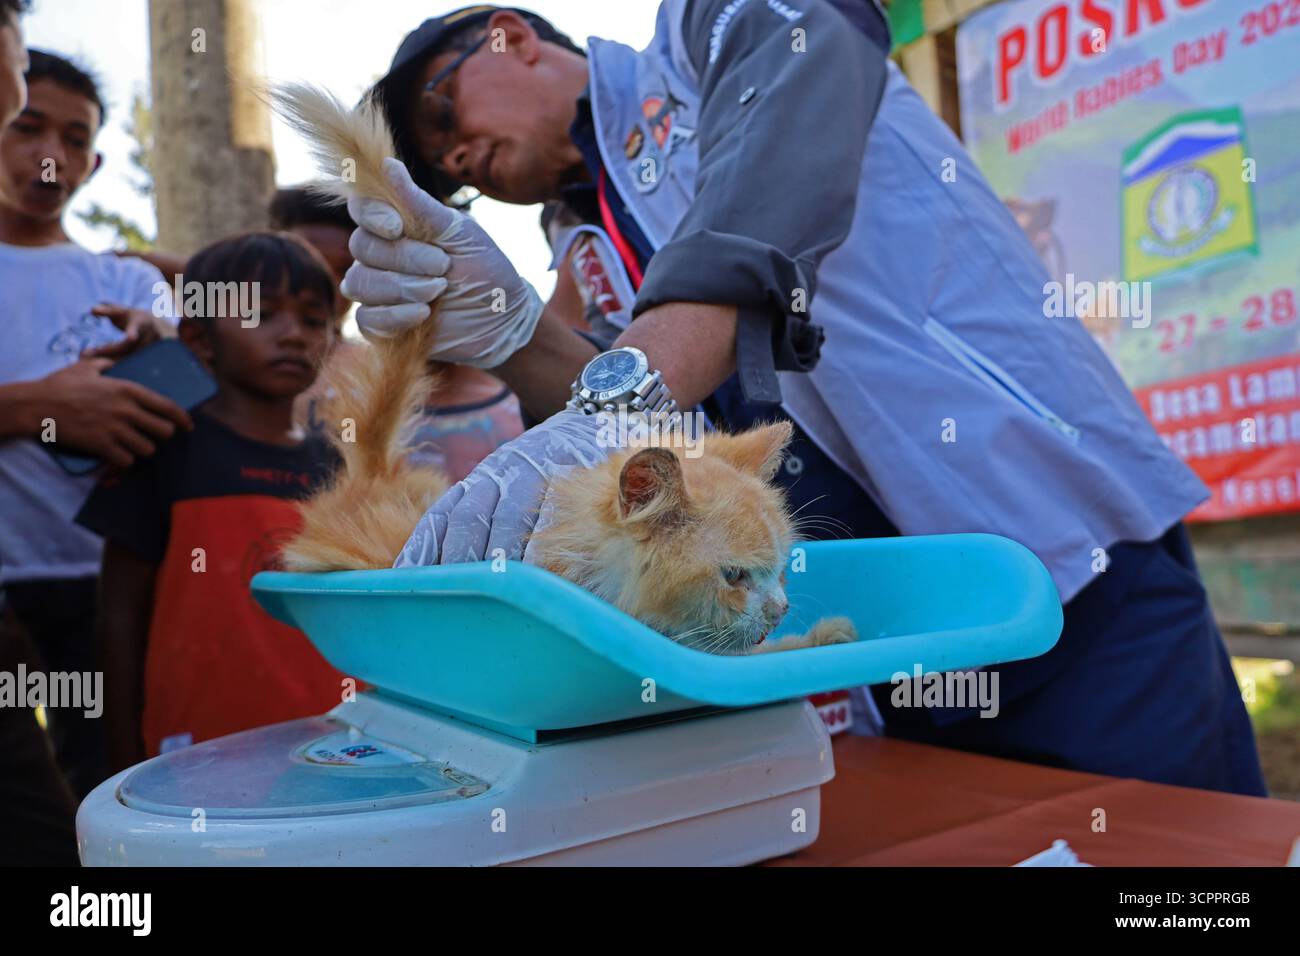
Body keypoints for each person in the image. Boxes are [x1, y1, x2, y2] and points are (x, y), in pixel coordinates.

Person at [339, 2, 1265, 796]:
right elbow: (656, 449)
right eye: (446, 172)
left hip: (1061, 556)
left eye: (442, 112)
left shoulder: (702, 36)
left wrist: (625, 387)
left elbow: (779, 151)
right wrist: (519, 336)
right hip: (879, 632)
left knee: (1184, 877)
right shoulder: (579, 242)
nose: (460, 156)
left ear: (511, 37)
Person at [76, 232, 347, 770]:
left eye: (314, 321)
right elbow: (120, 615)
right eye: (262, 314)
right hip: (194, 753)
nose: (294, 335)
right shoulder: (161, 447)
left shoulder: (337, 466)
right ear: (199, 338)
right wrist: (123, 751)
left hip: (334, 745)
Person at [0, 47, 189, 799]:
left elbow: (187, 401)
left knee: (111, 788)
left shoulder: (125, 281)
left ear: (96, 160)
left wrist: (163, 352)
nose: (51, 157)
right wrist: (34, 407)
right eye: (26, 126)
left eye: (74, 139)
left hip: (105, 590)